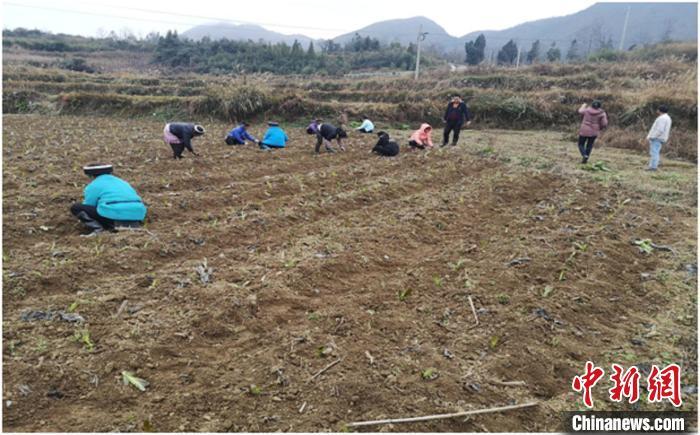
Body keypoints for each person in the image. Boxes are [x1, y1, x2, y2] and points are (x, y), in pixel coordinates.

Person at [70, 164, 147, 235]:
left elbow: (89, 205)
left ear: (91, 175)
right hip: (138, 215)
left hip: (114, 216)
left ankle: (98, 229)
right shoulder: (122, 182)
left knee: (77, 208)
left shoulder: (94, 185)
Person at [646, 105, 672, 171]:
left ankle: (653, 167)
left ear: (660, 110)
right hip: (661, 138)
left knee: (654, 152)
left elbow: (660, 130)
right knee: (655, 152)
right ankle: (653, 166)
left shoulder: (662, 118)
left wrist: (652, 136)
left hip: (657, 138)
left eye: (658, 109)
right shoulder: (667, 118)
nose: (657, 110)